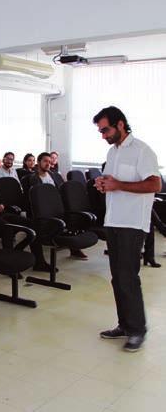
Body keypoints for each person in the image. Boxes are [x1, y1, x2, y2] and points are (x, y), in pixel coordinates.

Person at [94, 106, 161, 352]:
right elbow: (112, 183)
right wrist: (102, 184)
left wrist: (119, 184)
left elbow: (155, 183)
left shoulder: (142, 151)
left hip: (132, 224)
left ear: (120, 124)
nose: (103, 135)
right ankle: (124, 324)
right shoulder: (113, 153)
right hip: (114, 220)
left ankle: (137, 330)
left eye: (106, 130)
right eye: (100, 131)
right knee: (117, 277)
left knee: (128, 278)